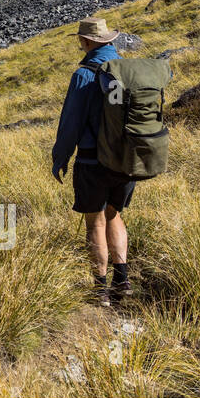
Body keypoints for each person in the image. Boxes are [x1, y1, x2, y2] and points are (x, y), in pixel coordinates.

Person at [51, 17, 135, 307]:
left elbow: (70, 123)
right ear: (110, 41)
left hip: (91, 162)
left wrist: (60, 158)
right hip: (126, 161)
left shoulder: (85, 74)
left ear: (87, 43)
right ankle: (122, 280)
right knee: (114, 215)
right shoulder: (130, 70)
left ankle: (100, 290)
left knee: (94, 222)